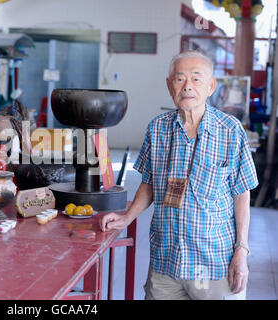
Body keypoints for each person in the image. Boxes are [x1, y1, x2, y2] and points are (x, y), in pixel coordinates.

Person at [100, 50, 258, 300]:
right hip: (166, 261)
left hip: (213, 263)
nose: (187, 86)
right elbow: (149, 184)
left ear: (210, 86)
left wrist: (242, 250)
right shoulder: (158, 128)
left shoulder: (230, 130)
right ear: (169, 85)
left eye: (196, 79)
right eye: (179, 78)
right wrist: (126, 217)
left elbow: (241, 194)